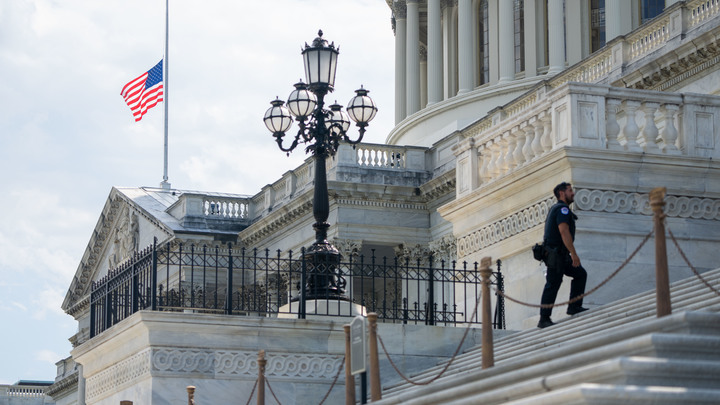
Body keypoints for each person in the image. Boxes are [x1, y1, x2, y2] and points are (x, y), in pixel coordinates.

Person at [537, 182, 588, 328]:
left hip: (560, 255)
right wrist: (574, 254)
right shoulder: (562, 209)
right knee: (553, 284)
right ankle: (544, 319)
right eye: (570, 191)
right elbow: (564, 232)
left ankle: (574, 306)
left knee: (580, 274)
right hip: (557, 255)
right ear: (561, 193)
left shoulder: (558, 208)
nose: (573, 193)